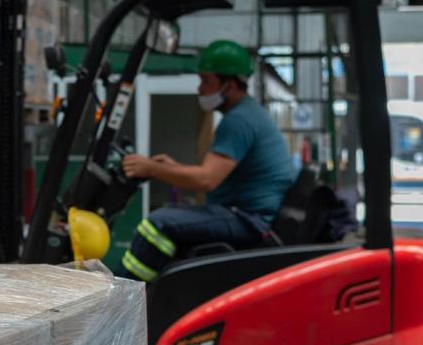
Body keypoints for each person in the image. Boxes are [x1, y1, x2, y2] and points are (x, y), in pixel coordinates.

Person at [117, 40, 293, 283]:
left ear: (228, 85)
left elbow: (207, 179)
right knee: (168, 217)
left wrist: (152, 168)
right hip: (245, 214)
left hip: (247, 219)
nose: (200, 89)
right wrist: (171, 168)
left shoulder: (239, 121)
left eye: (206, 81)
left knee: (156, 224)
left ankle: (128, 296)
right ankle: (155, 292)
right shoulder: (246, 114)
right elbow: (212, 172)